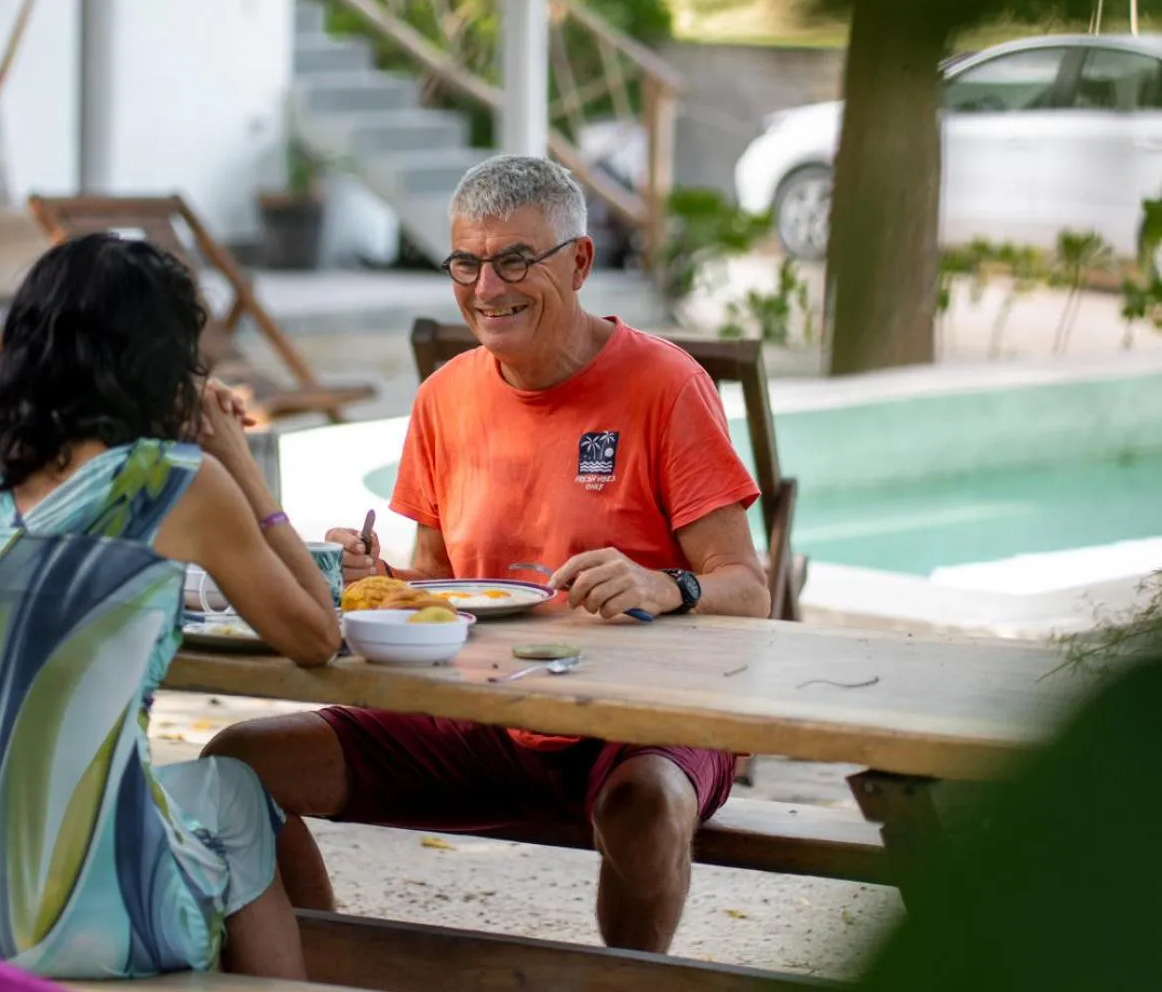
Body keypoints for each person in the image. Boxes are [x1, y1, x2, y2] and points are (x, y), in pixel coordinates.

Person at [203, 154, 770, 954]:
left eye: (514, 260)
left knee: (644, 804)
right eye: (466, 264)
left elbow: (748, 588)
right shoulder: (446, 396)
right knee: (238, 763)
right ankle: (316, 967)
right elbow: (438, 587)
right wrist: (379, 581)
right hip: (488, 712)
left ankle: (628, 978)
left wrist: (666, 584)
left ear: (579, 263)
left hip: (643, 719)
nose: (486, 287)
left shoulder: (666, 385)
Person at [0, 233, 342, 981]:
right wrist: (241, 465)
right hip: (90, 920)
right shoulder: (175, 482)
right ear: (160, 359)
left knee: (201, 793)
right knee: (238, 795)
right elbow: (317, 633)